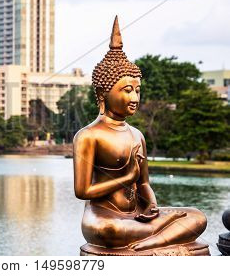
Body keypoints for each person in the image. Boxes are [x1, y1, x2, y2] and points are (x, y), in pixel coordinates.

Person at [74, 16, 208, 254]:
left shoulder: (136, 135)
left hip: (137, 217)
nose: (134, 98)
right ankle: (160, 237)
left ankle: (152, 242)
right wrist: (126, 179)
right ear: (104, 93)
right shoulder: (88, 136)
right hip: (104, 217)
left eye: (137, 90)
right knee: (110, 232)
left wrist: (152, 206)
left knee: (197, 217)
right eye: (127, 90)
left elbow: (143, 183)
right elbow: (82, 191)